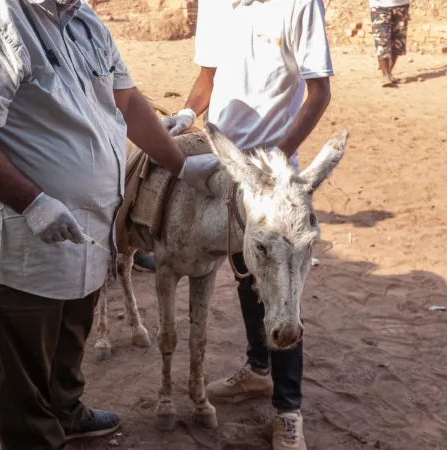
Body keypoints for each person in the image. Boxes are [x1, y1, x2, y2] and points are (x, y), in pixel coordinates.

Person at [0, 0, 218, 448]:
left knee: (68, 333)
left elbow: (128, 101)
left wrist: (180, 164)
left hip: (81, 228)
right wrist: (33, 202)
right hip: (12, 236)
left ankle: (66, 410)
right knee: (19, 364)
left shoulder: (83, 19)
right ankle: (36, 436)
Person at [162, 0, 333, 448]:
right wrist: (185, 113)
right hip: (223, 169)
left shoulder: (299, 5)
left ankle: (288, 411)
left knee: (280, 286)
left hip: (273, 177)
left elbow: (319, 94)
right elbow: (208, 78)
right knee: (245, 275)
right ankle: (259, 371)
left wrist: (275, 158)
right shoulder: (217, 5)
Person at [369, 0, 410, 87]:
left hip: (401, 5)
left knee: (398, 41)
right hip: (379, 6)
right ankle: (385, 75)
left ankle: (389, 73)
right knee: (381, 39)